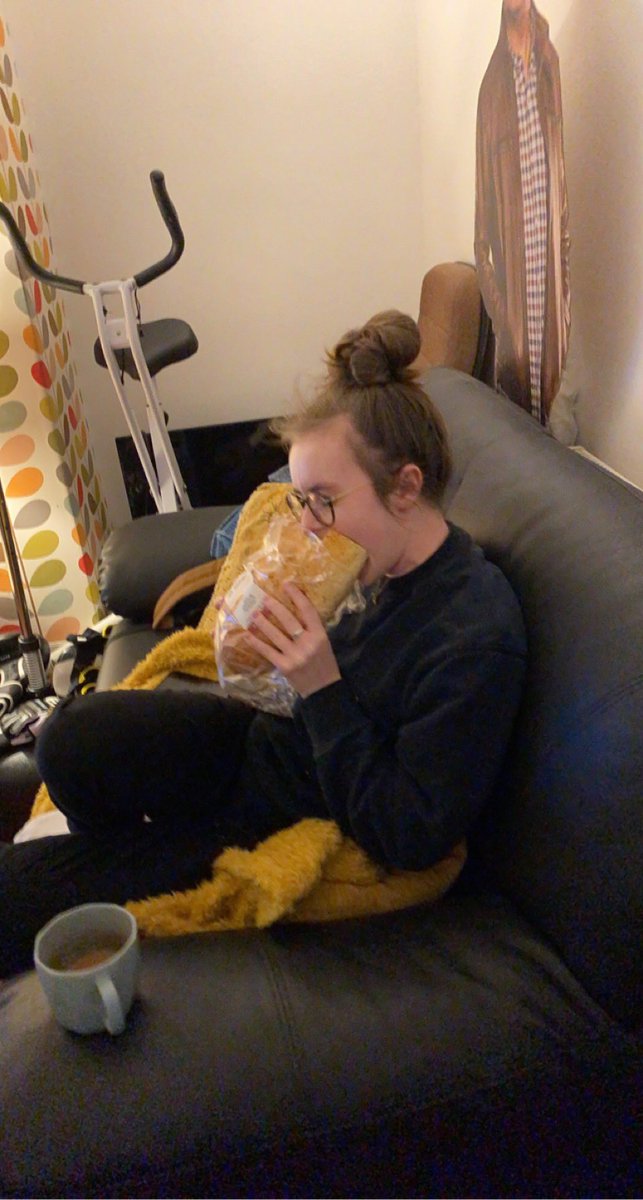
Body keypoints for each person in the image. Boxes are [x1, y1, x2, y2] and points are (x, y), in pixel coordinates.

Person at [0, 311, 527, 976]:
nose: (308, 526)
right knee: (68, 739)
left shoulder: (473, 639)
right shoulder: (377, 566)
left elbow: (410, 833)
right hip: (258, 740)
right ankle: (121, 849)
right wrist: (257, 649)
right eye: (300, 500)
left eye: (322, 501)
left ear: (406, 487)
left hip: (277, 812)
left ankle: (128, 859)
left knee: (15, 894)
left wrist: (320, 686)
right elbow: (293, 695)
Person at [475, 0, 571, 425]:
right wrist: (501, 314)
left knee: (554, 407)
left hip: (548, 262)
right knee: (516, 404)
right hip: (516, 270)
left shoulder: (549, 65)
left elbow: (561, 172)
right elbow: (481, 224)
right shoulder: (492, 88)